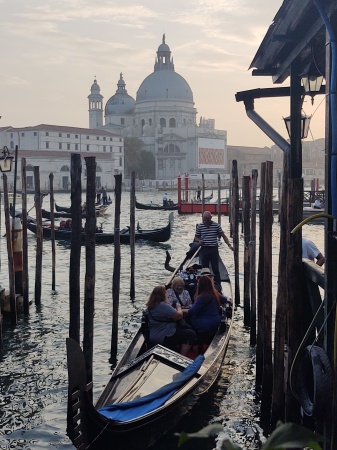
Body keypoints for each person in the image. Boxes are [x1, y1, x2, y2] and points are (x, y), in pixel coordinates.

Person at [146, 285, 196, 356]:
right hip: (164, 335)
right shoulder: (163, 305)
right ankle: (181, 357)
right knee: (190, 334)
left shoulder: (151, 305)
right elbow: (179, 315)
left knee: (184, 329)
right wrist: (178, 307)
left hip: (154, 334)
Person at [194, 211, 234, 286]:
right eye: (205, 220)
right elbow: (196, 237)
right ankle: (205, 285)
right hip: (204, 249)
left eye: (208, 220)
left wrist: (229, 245)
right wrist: (199, 241)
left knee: (215, 268)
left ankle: (218, 285)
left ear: (211, 218)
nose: (206, 222)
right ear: (203, 219)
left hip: (213, 249)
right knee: (204, 269)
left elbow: (223, 236)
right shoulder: (200, 226)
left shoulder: (216, 226)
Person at [186, 275, 222, 340]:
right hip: (216, 321)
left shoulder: (201, 297)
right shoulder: (215, 293)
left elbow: (192, 311)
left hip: (203, 324)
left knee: (186, 320)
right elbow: (225, 299)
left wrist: (181, 309)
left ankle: (192, 340)